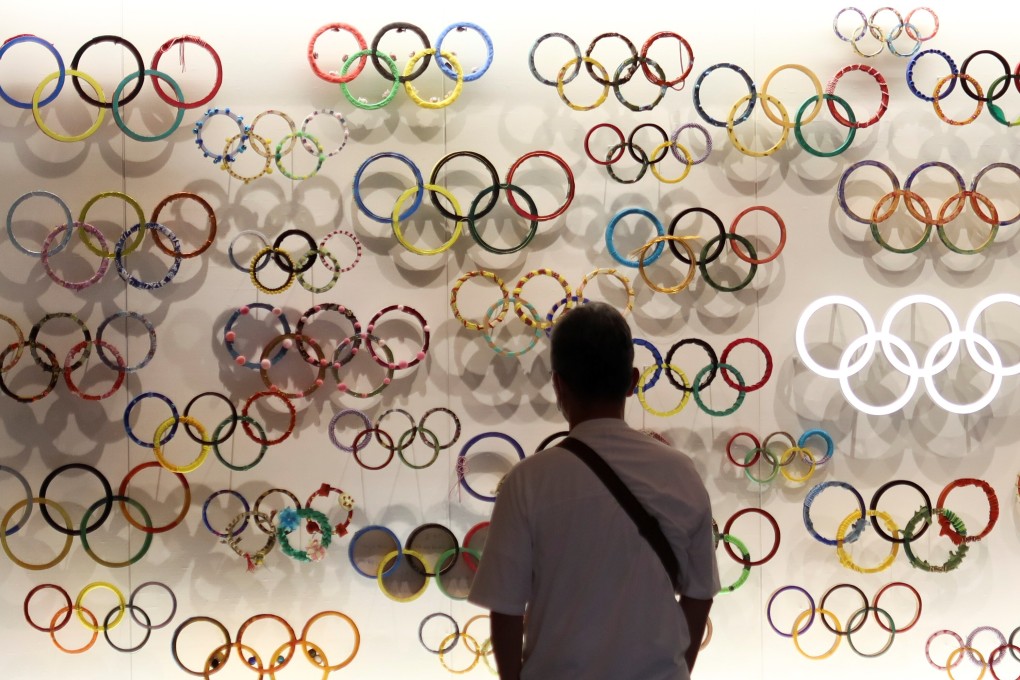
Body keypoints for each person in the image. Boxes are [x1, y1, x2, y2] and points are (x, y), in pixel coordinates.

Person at [468, 301, 720, 680]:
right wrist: (675, 668)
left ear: (558, 384)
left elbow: (505, 610)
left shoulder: (527, 482)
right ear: (633, 381)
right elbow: (700, 594)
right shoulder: (679, 471)